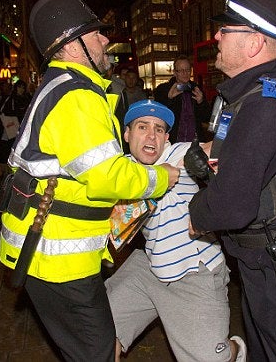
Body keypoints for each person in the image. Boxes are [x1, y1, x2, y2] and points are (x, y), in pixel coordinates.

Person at [0, 0, 180, 362]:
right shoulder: (77, 96)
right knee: (98, 353)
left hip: (50, 257)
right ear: (71, 44)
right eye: (95, 33)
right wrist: (163, 176)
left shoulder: (60, 87)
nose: (105, 39)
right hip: (58, 262)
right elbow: (107, 178)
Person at [183, 0, 276, 361]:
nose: (216, 36)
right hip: (265, 262)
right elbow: (248, 167)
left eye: (225, 30)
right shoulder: (250, 96)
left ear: (253, 43)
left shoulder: (265, 108)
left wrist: (197, 213)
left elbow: (232, 205)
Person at [105, 99, 246, 362]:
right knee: (98, 337)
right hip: (149, 267)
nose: (151, 135)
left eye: (159, 129)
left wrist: (220, 142)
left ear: (166, 137)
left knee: (211, 359)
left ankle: (235, 350)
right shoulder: (121, 169)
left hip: (194, 272)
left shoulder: (174, 155)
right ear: (126, 134)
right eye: (142, 126)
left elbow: (208, 150)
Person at [154, 55, 211, 143]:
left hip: (195, 142)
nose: (185, 73)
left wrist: (201, 102)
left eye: (187, 70)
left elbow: (206, 117)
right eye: (181, 70)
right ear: (174, 72)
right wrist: (169, 98)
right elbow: (157, 115)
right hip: (172, 142)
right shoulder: (164, 89)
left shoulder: (196, 89)